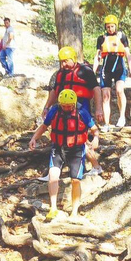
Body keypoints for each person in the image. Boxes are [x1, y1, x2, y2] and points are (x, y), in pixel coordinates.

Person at [29, 90, 100, 220]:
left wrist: (95, 139)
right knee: (53, 177)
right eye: (64, 105)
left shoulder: (82, 112)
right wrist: (34, 138)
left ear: (74, 103)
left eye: (69, 105)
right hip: (58, 148)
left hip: (77, 150)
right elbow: (44, 126)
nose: (67, 108)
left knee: (75, 180)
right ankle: (53, 208)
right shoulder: (55, 110)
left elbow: (94, 129)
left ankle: (74, 212)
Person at [42, 46, 104, 177]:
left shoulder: (85, 71)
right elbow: (54, 92)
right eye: (61, 61)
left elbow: (96, 89)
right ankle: (54, 171)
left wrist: (99, 108)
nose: (63, 64)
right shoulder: (59, 74)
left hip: (81, 108)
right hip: (63, 109)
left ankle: (95, 166)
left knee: (81, 139)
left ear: (73, 59)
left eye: (66, 61)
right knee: (59, 136)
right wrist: (47, 107)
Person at [93, 15, 131, 131]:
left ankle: (122, 117)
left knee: (119, 90)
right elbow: (97, 56)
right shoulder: (101, 38)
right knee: (105, 96)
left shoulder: (122, 36)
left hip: (119, 68)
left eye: (112, 26)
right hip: (106, 68)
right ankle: (107, 123)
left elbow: (128, 55)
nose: (110, 29)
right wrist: (93, 71)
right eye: (108, 27)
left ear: (116, 26)